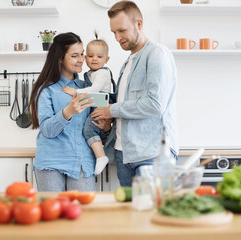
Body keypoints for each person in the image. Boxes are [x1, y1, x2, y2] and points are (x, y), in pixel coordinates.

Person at [91, 1, 179, 187]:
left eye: (121, 31)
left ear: (139, 24)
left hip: (152, 154)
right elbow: (127, 108)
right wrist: (107, 122)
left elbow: (155, 104)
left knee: (150, 214)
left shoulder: (156, 54)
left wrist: (111, 110)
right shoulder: (128, 62)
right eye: (114, 32)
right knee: (130, 215)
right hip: (125, 154)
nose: (117, 38)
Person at [29, 32, 110, 192]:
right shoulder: (46, 89)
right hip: (51, 163)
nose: (81, 60)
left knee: (83, 215)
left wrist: (105, 128)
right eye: (74, 55)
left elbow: (95, 129)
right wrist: (68, 111)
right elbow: (47, 130)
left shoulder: (88, 87)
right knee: (53, 215)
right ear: (60, 58)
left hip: (83, 162)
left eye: (82, 54)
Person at [61, 33, 114, 175]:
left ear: (106, 59)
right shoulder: (90, 74)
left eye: (99, 56)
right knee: (91, 129)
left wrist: (75, 92)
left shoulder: (101, 73)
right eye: (90, 56)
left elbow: (94, 90)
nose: (94, 59)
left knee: (88, 129)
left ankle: (101, 157)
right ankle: (101, 156)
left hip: (102, 103)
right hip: (96, 102)